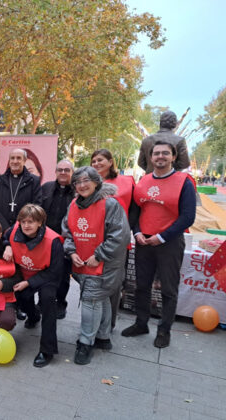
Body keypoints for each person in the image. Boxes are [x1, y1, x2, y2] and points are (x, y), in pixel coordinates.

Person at [122, 140, 196, 348]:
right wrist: (137, 232)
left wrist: (162, 237)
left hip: (169, 242)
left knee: (168, 289)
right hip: (144, 241)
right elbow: (136, 210)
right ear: (151, 157)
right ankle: (141, 323)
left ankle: (164, 330)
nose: (160, 156)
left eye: (165, 153)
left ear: (173, 157)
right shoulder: (144, 181)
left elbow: (188, 217)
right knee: (141, 285)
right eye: (156, 153)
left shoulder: (184, 182)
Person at [62, 167, 130, 365]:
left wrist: (99, 256)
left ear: (96, 182)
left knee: (91, 300)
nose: (82, 185)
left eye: (86, 180)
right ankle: (103, 336)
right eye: (78, 182)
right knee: (101, 298)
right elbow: (67, 231)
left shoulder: (110, 204)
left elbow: (120, 236)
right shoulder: (73, 204)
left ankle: (86, 342)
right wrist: (71, 252)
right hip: (82, 262)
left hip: (103, 265)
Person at [3, 204, 64, 368]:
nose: (26, 225)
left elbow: (55, 272)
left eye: (31, 222)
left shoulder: (54, 241)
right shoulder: (14, 231)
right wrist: (7, 245)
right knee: (22, 296)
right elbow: (4, 237)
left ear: (40, 222)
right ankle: (33, 316)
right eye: (23, 221)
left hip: (47, 276)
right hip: (24, 273)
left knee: (48, 302)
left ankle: (47, 350)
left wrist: (29, 283)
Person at [91, 149, 139, 329]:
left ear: (111, 162)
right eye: (93, 161)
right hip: (93, 240)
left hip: (117, 241)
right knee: (93, 283)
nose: (96, 163)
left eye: (100, 160)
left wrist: (127, 229)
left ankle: (108, 325)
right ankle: (92, 322)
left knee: (114, 285)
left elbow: (135, 209)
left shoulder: (127, 181)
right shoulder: (88, 182)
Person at [41, 159, 75, 319]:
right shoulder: (46, 187)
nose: (63, 173)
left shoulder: (77, 191)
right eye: (60, 170)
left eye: (67, 170)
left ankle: (61, 303)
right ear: (55, 172)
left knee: (63, 275)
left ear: (72, 173)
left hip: (66, 240)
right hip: (46, 239)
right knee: (44, 272)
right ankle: (43, 302)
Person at [0, 148, 42, 233]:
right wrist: (5, 228)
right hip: (1, 230)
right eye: (12, 158)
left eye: (19, 158)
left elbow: (36, 205)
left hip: (24, 230)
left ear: (24, 161)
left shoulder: (33, 181)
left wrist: (21, 226)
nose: (15, 161)